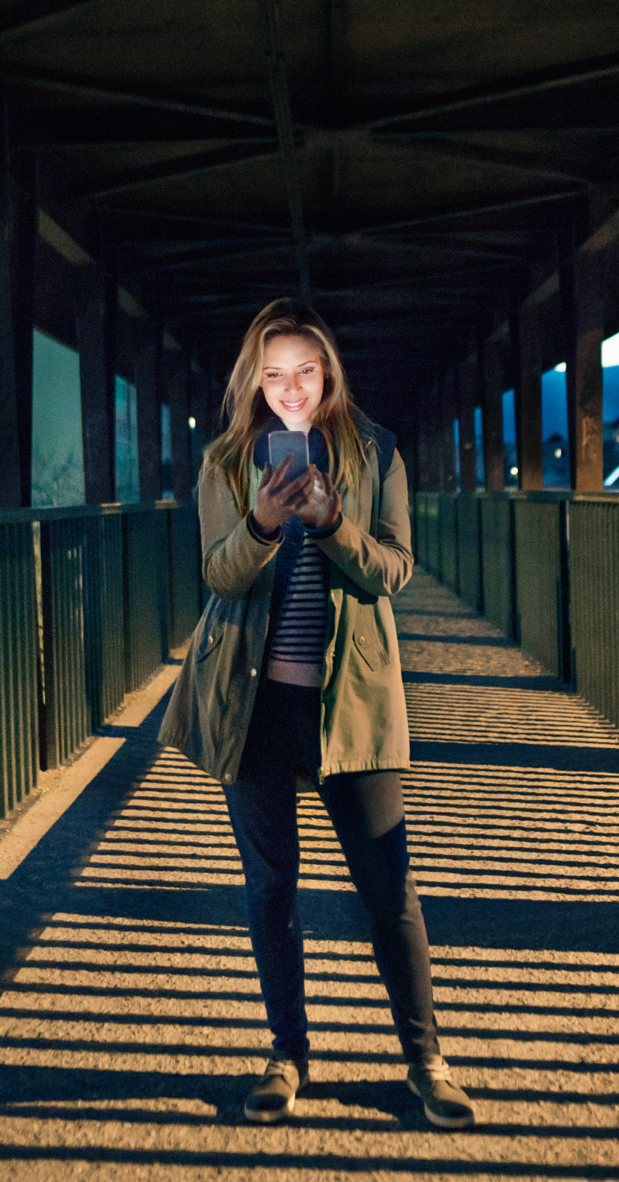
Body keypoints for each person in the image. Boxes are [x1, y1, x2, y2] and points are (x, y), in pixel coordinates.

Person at [158, 299, 476, 1130]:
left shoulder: (375, 454)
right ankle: (288, 1055)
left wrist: (332, 523)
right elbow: (218, 577)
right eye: (274, 375)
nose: (291, 389)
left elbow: (394, 572)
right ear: (253, 382)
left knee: (390, 891)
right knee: (272, 891)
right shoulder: (228, 462)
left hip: (353, 707)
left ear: (328, 371)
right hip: (255, 704)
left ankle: (426, 1060)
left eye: (305, 371)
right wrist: (262, 526)